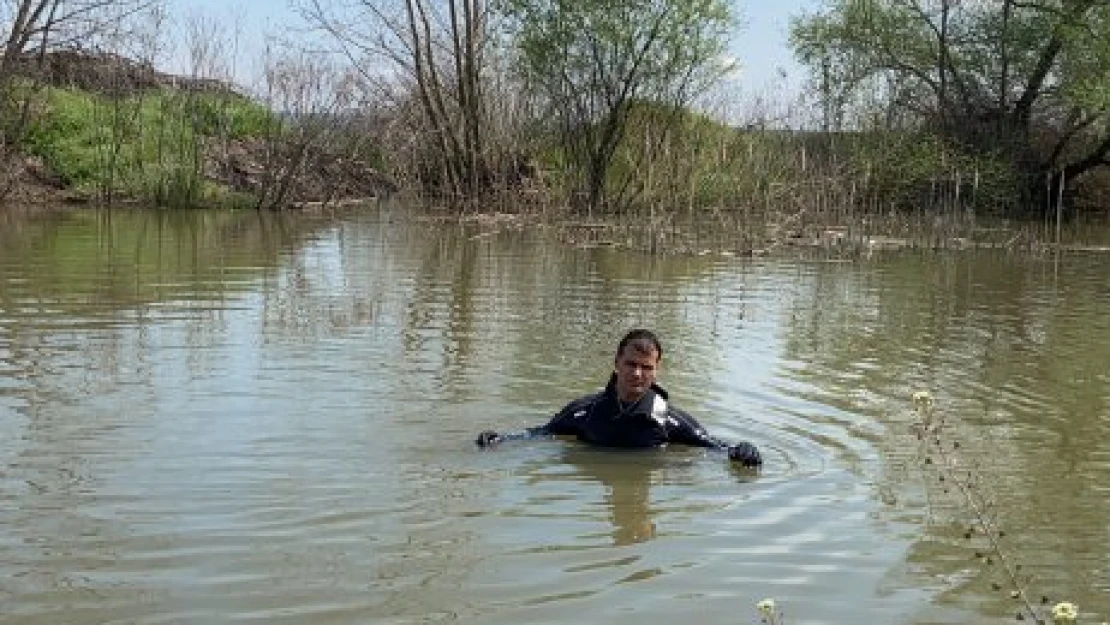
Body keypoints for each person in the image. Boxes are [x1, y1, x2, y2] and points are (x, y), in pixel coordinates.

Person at [474, 329, 762, 467]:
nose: (637, 373)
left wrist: (742, 449)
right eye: (631, 364)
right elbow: (544, 433)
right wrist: (503, 439)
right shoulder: (584, 412)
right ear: (616, 363)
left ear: (656, 371)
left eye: (646, 367)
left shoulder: (669, 420)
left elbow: (714, 446)